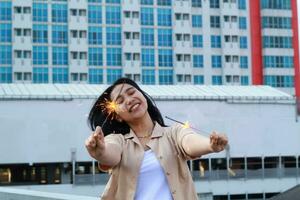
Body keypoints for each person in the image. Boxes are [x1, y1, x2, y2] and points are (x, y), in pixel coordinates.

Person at [85, 77, 228, 200]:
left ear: (142, 95)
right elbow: (110, 153)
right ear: (116, 116)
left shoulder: (173, 133)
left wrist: (210, 145)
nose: (129, 100)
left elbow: (188, 142)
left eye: (131, 92)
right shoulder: (119, 141)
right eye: (120, 101)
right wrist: (100, 150)